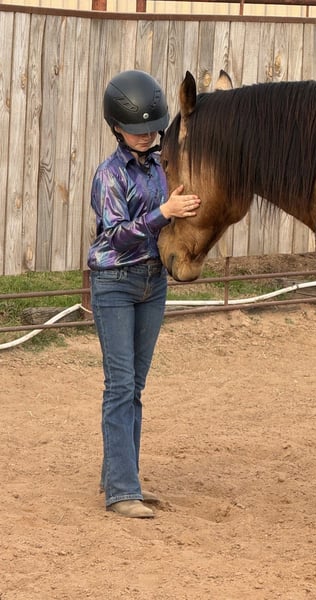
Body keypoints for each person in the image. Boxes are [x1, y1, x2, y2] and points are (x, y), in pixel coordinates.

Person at [88, 70, 201, 519]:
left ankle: (121, 475)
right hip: (115, 282)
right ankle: (122, 490)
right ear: (117, 127)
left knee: (134, 387)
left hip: (154, 282)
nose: (147, 136)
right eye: (137, 129)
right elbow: (116, 236)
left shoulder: (160, 167)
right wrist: (164, 212)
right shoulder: (109, 175)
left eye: (152, 128)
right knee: (119, 386)